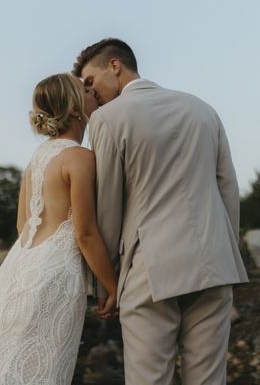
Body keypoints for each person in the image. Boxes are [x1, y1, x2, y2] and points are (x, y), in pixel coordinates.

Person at [73, 38, 249, 384]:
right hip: (214, 264)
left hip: (149, 269)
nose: (90, 95)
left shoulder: (107, 118)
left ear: (115, 66)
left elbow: (107, 207)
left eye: (90, 83)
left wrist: (107, 284)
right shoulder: (202, 109)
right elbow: (227, 188)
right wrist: (228, 254)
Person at [0, 73, 117, 385]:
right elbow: (85, 233)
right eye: (85, 90)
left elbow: (23, 225)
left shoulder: (36, 158)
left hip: (15, 272)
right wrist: (113, 287)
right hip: (53, 279)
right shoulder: (79, 157)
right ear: (75, 108)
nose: (93, 93)